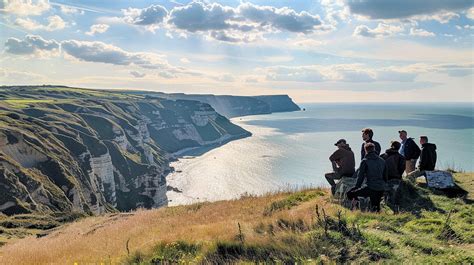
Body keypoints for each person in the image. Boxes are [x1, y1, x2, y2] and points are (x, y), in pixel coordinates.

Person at [347, 143, 388, 212]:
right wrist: (383, 185)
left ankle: (356, 208)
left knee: (350, 193)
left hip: (371, 187)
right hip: (381, 188)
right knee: (376, 207)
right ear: (374, 149)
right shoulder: (382, 161)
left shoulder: (365, 161)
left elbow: (360, 177)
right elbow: (385, 176)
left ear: (366, 150)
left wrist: (356, 187)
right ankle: (378, 219)